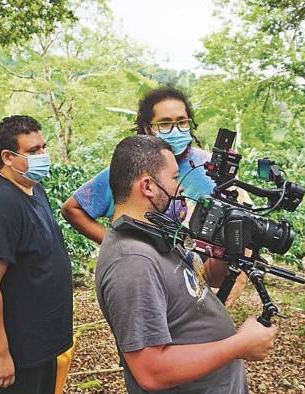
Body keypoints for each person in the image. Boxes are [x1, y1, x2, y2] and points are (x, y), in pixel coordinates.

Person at [95, 135, 278, 393]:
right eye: (173, 178)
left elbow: (205, 279)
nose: (179, 189)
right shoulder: (133, 263)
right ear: (147, 186)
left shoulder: (157, 230)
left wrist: (231, 246)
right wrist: (239, 345)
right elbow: (150, 371)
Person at [0, 115, 73, 393]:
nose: (43, 155)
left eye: (43, 147)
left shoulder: (32, 189)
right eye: (33, 151)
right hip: (16, 356)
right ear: (8, 157)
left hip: (41, 347)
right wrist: (0, 355)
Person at [61, 86, 250, 244]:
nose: (175, 130)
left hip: (203, 281)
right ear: (146, 128)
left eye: (182, 122)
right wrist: (115, 245)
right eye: (165, 124)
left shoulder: (210, 166)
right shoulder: (129, 170)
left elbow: (244, 222)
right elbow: (72, 209)